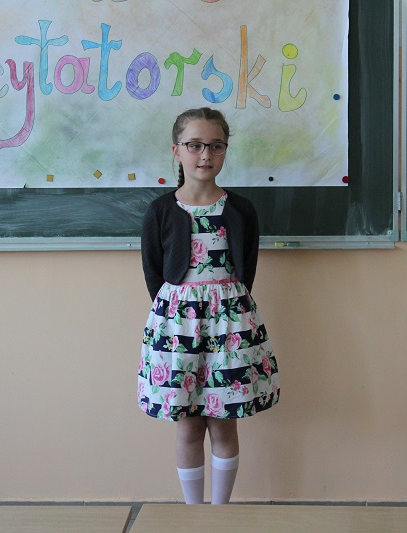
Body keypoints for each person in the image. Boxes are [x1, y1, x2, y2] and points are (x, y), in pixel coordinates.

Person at [138, 107, 280, 504]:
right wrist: (181, 313)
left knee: (223, 422)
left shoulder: (241, 209)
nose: (205, 154)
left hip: (230, 327)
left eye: (216, 146)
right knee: (187, 424)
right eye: (195, 145)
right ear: (177, 150)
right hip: (178, 328)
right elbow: (154, 273)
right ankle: (194, 514)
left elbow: (246, 268)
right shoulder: (160, 210)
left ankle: (220, 514)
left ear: (225, 150)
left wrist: (224, 309)